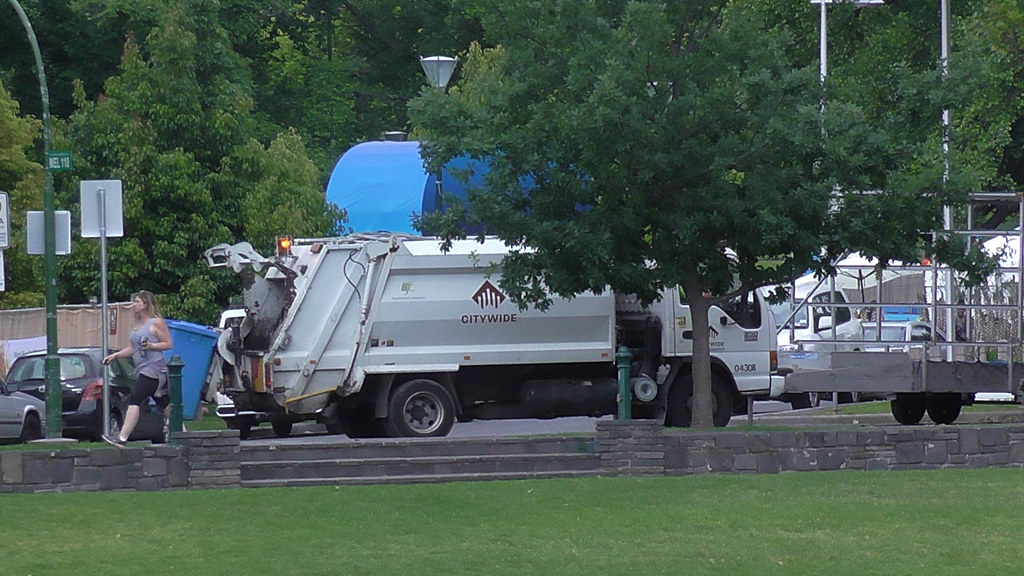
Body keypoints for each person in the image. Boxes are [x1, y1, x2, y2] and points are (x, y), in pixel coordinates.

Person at [102, 291, 173, 448]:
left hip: (154, 369)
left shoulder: (156, 322)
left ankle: (122, 438)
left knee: (135, 399)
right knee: (165, 404)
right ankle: (183, 433)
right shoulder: (137, 326)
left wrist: (151, 345)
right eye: (134, 302)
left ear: (146, 304)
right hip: (142, 368)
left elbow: (168, 343)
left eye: (138, 302)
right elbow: (133, 348)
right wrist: (115, 356)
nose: (134, 304)